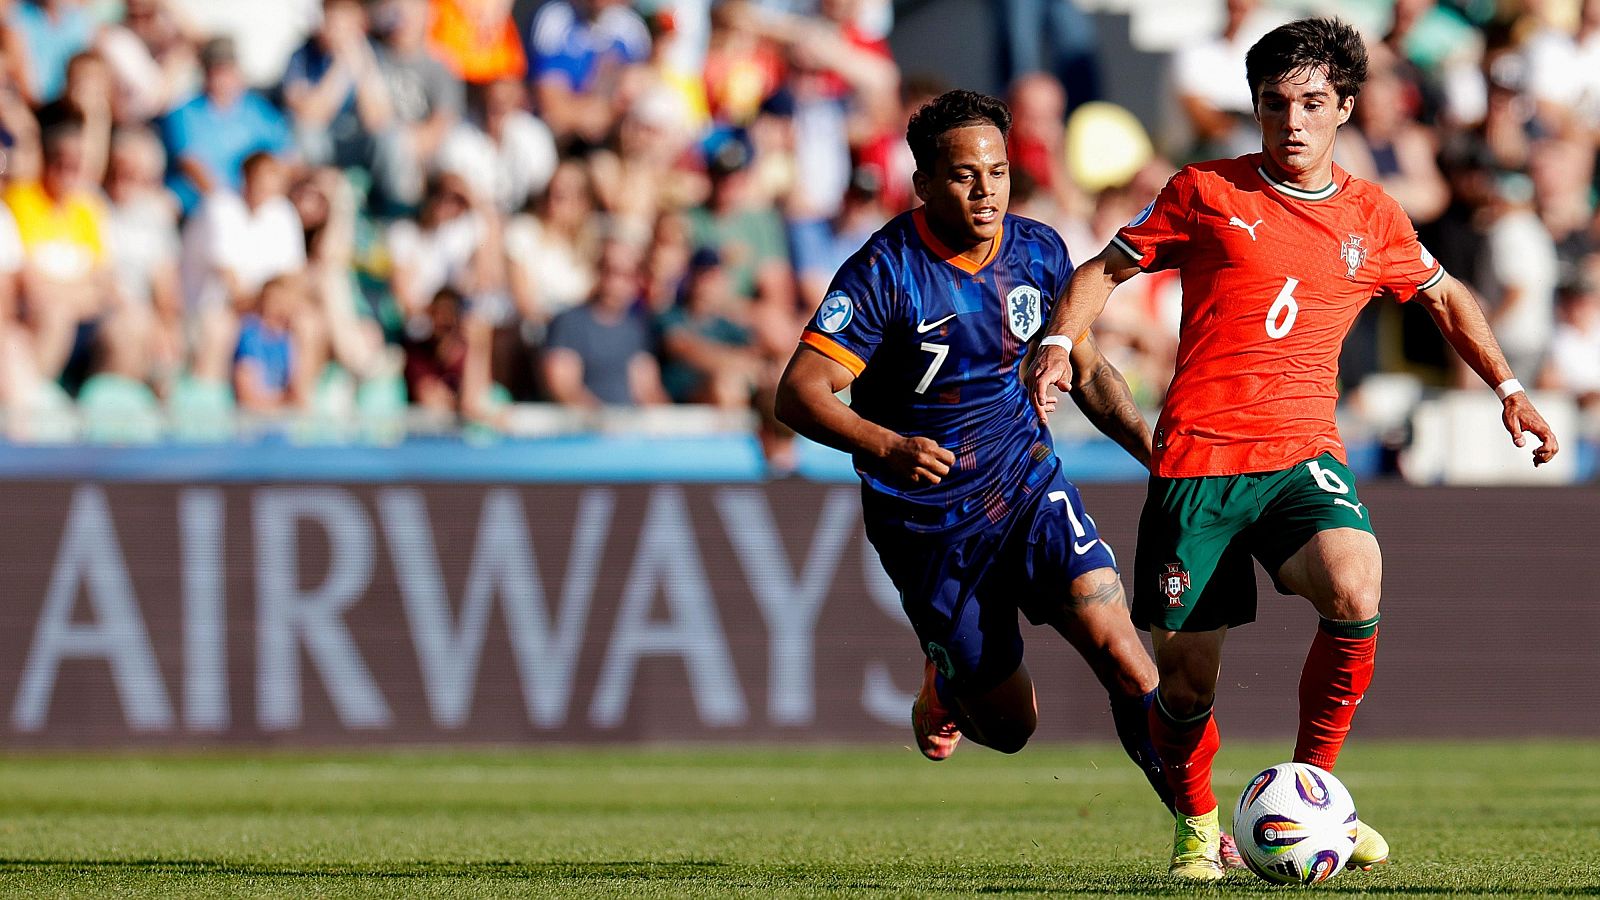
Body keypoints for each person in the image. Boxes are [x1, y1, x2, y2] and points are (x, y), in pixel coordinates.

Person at [1026, 18, 1561, 882]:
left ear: (1345, 108)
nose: (1294, 123)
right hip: (1197, 466)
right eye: (1276, 105)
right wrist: (1058, 341)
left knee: (1355, 581)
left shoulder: (1372, 215)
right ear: (1256, 109)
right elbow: (1101, 272)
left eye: (1314, 103)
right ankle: (1199, 826)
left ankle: (1317, 795)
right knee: (1188, 685)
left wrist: (1510, 390)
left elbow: (1446, 295)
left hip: (1300, 453)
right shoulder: (1204, 191)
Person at [773, 89, 1204, 849]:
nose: (986, 191)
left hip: (1026, 481)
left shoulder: (1038, 251)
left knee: (1123, 650)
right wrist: (885, 444)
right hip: (928, 521)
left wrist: (1156, 456)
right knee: (1010, 728)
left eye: (998, 172)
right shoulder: (885, 273)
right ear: (925, 184)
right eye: (966, 176)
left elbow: (1091, 366)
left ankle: (1199, 831)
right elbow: (799, 394)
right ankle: (946, 685)